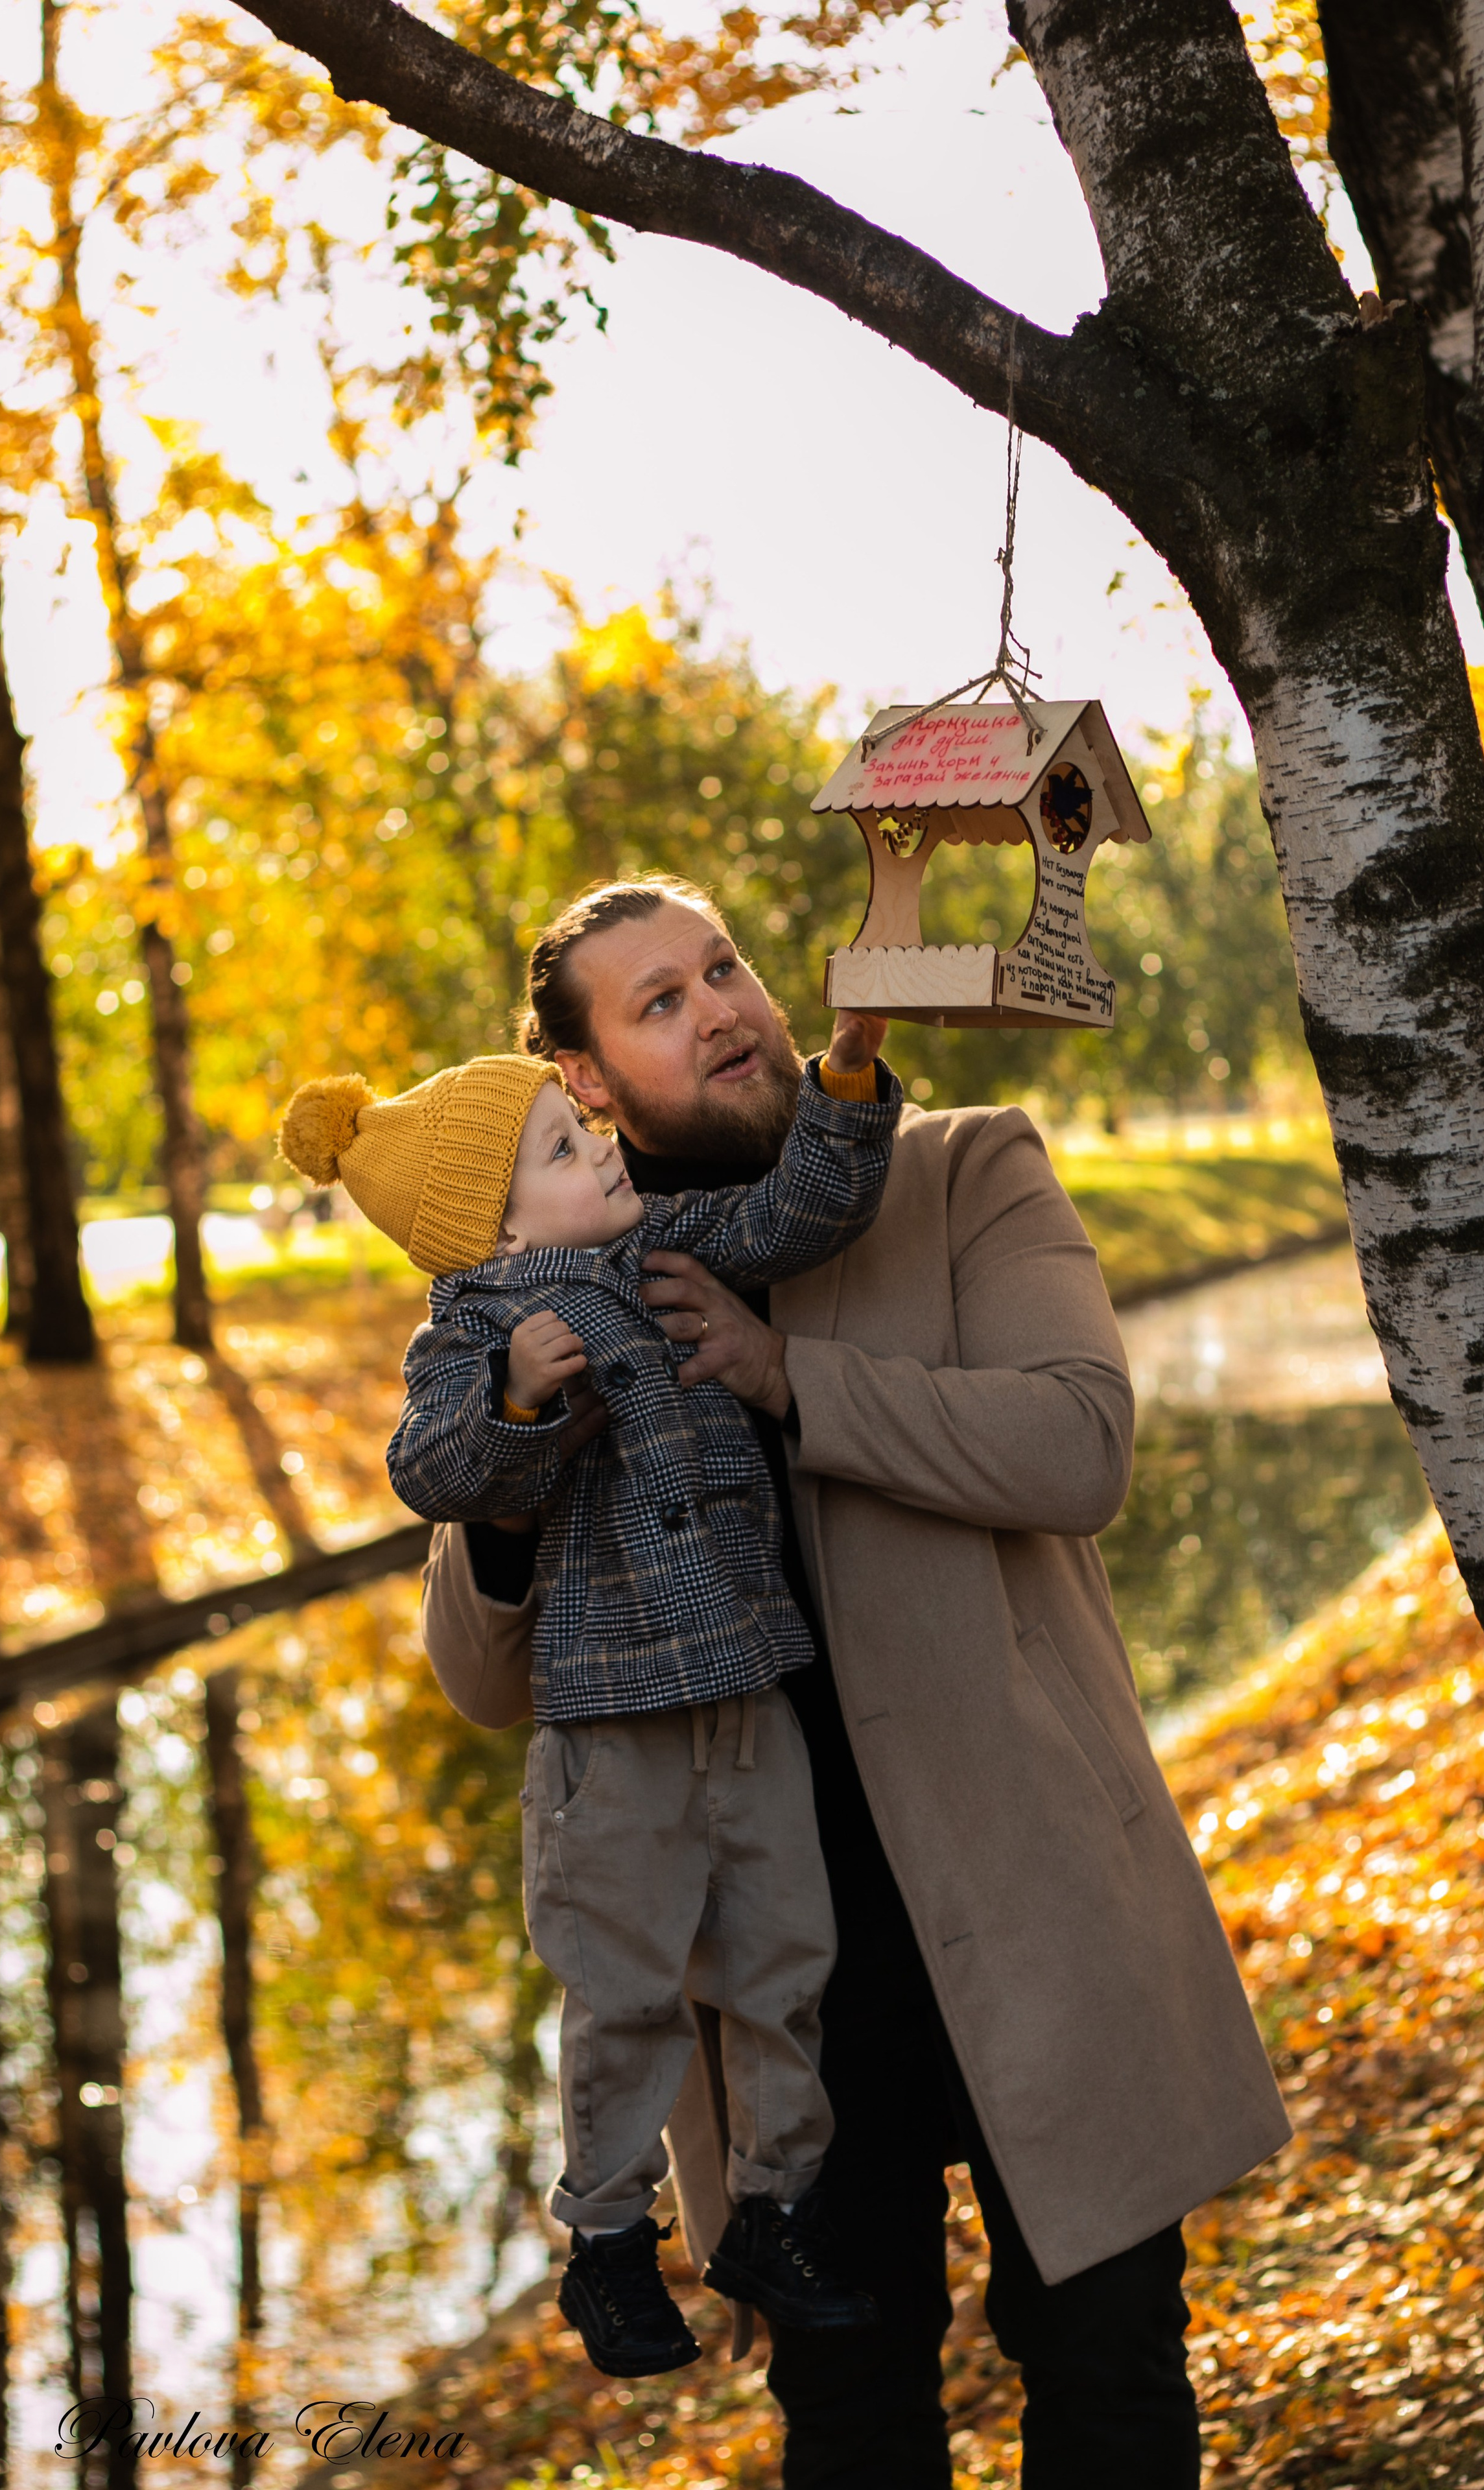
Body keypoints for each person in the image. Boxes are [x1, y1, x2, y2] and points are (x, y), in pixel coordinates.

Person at [420, 876, 1292, 2488]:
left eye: (723, 966)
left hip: (1040, 1917)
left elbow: (1076, 1445)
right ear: (585, 1085)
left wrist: (781, 1375)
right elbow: (482, 1680)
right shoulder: (543, 1299)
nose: (723, 1007)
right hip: (775, 2003)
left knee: (1107, 2379)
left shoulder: (962, 1173)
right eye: (659, 1002)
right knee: (852, 2422)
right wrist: (519, 1447)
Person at [277, 1024, 901, 2380]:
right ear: (491, 1234)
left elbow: (801, 1206)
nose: (602, 1144)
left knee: (788, 1962)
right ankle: (609, 2241)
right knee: (622, 1993)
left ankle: (772, 2209)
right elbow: (436, 1471)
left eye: (585, 1127)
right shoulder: (473, 1331)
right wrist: (515, 1397)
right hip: (612, 1726)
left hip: (746, 1687)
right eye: (564, 1148)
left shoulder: (669, 1244)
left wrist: (845, 1080)